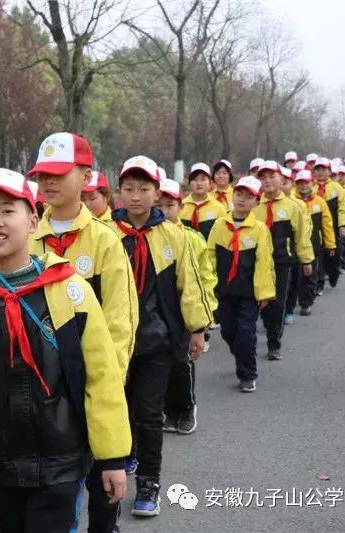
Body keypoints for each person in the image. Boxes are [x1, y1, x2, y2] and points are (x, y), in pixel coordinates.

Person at [0, 168, 130, 533]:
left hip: (62, 461)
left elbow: (102, 378)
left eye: (8, 210)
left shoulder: (70, 291)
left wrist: (113, 456)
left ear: (33, 219)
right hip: (0, 465)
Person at [110, 156, 212, 517]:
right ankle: (115, 469)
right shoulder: (106, 233)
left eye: (144, 189)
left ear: (157, 192)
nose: (136, 196)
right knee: (117, 410)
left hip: (157, 340)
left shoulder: (172, 235)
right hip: (113, 343)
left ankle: (149, 483)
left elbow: (189, 285)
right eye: (129, 188)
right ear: (118, 192)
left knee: (150, 413)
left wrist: (197, 329)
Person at [27, 132, 138, 381]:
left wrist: (111, 379)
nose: (49, 182)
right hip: (38, 378)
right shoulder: (28, 239)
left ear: (86, 177)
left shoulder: (105, 241)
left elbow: (120, 318)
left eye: (59, 174)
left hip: (91, 372)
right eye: (43, 175)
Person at [156, 178, 217, 435]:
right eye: (160, 206)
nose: (164, 211)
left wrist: (203, 320)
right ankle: (169, 411)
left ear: (180, 206)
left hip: (183, 312)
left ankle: (186, 407)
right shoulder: (149, 237)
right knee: (160, 364)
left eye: (170, 205)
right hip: (157, 312)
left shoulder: (191, 238)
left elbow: (204, 278)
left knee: (182, 363)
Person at [206, 176, 275, 391]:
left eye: (249, 197)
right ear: (232, 195)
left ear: (256, 202)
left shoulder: (259, 229)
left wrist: (263, 293)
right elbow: (210, 256)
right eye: (239, 194)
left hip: (248, 293)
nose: (242, 200)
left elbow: (264, 262)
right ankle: (242, 354)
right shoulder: (219, 225)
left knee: (246, 332)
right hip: (225, 291)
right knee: (227, 331)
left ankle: (248, 374)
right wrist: (208, 286)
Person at [252, 161, 314, 360]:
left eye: (272, 176)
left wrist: (306, 261)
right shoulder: (255, 206)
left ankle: (273, 342)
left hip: (283, 261)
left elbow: (301, 237)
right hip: (258, 263)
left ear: (282, 179)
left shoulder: (292, 207)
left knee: (278, 303)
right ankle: (260, 332)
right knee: (262, 303)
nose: (268, 181)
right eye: (263, 177)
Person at [293, 170, 336, 315]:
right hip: (295, 246)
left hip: (314, 245)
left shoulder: (319, 202)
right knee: (296, 275)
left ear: (312, 183)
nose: (303, 186)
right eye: (300, 183)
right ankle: (294, 299)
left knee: (310, 275)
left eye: (306, 182)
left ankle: (306, 302)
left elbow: (327, 225)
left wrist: (330, 244)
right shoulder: (292, 201)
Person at [311, 157, 345, 290]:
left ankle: (334, 274)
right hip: (316, 229)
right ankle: (319, 283)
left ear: (329, 171)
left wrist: (344, 225)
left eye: (324, 169)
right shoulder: (311, 188)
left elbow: (343, 207)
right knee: (319, 257)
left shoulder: (337, 188)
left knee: (335, 255)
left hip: (333, 229)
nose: (320, 172)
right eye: (318, 169)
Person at [280, 167, 311, 325]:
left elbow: (304, 229)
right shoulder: (263, 204)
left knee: (292, 283)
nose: (281, 185)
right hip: (273, 253)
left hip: (293, 252)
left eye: (285, 182)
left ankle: (289, 309)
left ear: (291, 184)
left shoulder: (298, 204)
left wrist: (305, 256)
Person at [179, 162, 227, 240]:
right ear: (189, 183)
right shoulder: (181, 206)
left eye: (203, 179)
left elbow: (223, 237)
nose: (199, 183)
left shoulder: (218, 208)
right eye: (195, 179)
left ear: (210, 183)